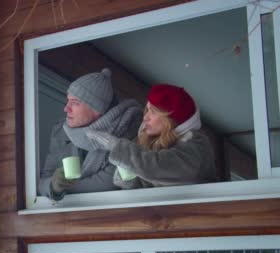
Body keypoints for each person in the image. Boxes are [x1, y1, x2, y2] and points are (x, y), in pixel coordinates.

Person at [38, 68, 143, 200]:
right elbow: (44, 179)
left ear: (97, 109)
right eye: (68, 100)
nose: (66, 108)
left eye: (74, 103)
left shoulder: (126, 130)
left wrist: (62, 188)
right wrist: (52, 185)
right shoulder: (61, 131)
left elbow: (106, 183)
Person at [86, 84, 217, 189]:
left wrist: (118, 147)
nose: (145, 117)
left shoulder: (196, 145)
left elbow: (162, 167)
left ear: (169, 120)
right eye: (147, 110)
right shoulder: (150, 143)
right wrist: (130, 182)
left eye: (153, 112)